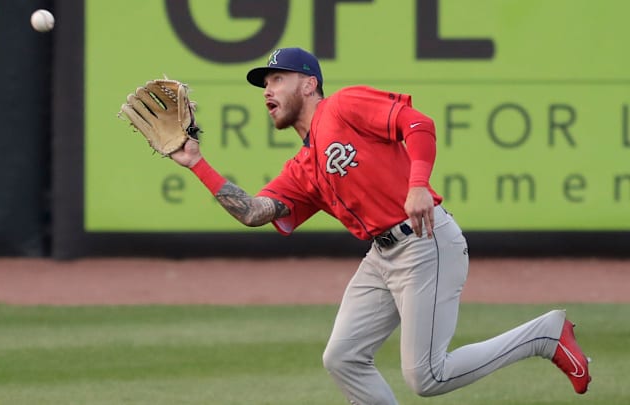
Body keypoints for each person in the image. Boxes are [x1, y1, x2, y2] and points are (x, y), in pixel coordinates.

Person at [168, 47, 591, 404]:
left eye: (276, 79)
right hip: (381, 257)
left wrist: (419, 183)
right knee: (343, 357)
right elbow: (253, 212)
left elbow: (418, 123)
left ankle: (546, 336)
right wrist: (197, 163)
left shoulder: (343, 106)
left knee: (428, 377)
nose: (267, 91)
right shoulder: (303, 166)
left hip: (425, 243)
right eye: (265, 84)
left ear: (309, 84)